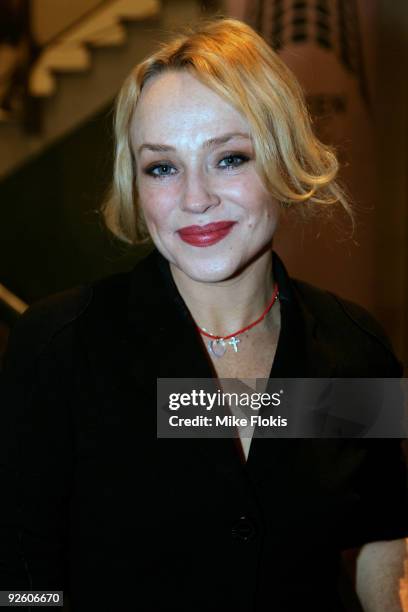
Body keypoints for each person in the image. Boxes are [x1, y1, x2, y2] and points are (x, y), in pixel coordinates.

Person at [1, 16, 407, 612]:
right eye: (162, 167)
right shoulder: (62, 347)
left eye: (230, 158)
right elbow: (22, 572)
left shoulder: (351, 351)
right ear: (136, 185)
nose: (196, 199)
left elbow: (380, 536)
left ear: (284, 157)